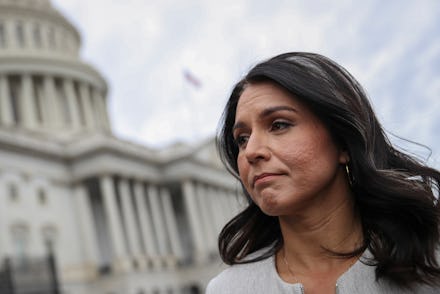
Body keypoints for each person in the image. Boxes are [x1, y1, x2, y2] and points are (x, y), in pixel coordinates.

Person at [206, 52, 440, 294]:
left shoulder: (429, 263)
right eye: (242, 139)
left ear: (342, 142)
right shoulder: (228, 289)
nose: (251, 151)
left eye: (279, 125)